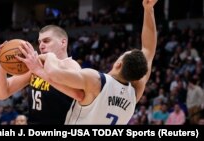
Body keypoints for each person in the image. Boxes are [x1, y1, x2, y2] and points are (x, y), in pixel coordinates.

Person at [17, 0, 158, 125]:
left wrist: (47, 59)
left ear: (118, 64)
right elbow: (148, 49)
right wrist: (148, 9)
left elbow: (54, 74)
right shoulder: (135, 92)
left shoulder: (95, 80)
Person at [0, 25, 83, 124]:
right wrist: (3, 65)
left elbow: (79, 94)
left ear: (63, 42)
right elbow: (1, 93)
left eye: (46, 41)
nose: (41, 46)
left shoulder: (71, 65)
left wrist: (38, 70)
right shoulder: (36, 66)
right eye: (40, 42)